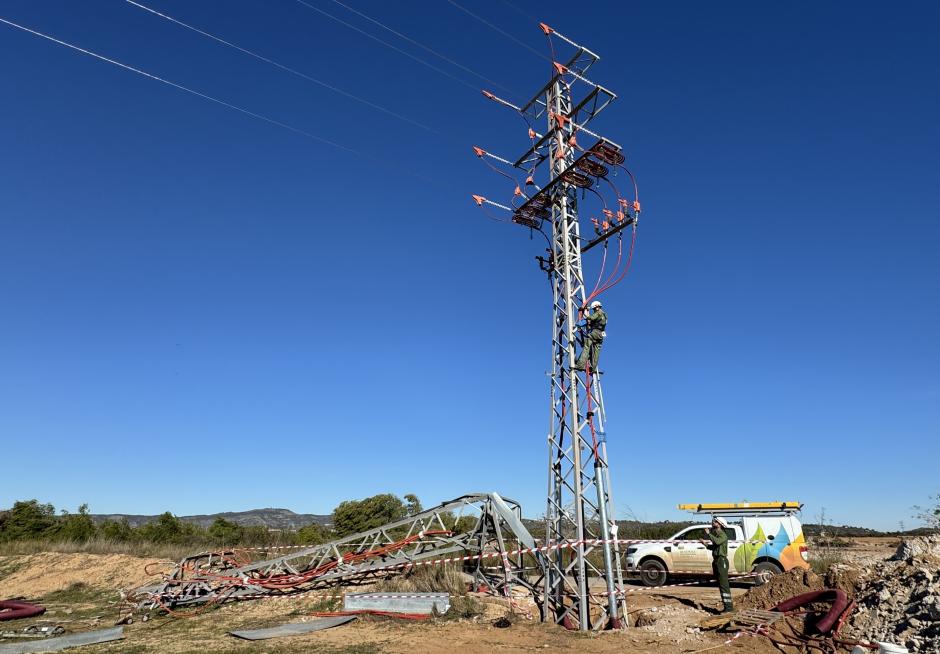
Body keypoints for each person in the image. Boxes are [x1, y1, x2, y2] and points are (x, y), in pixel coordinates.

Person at [706, 516, 734, 613]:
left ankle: (729, 608)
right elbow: (714, 546)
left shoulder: (722, 535)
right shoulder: (717, 535)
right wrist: (704, 544)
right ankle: (727, 607)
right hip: (717, 560)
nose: (713, 522)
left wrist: (709, 534)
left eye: (715, 521)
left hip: (721, 561)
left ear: (720, 524)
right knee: (721, 585)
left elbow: (717, 542)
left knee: (724, 585)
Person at [572, 300, 607, 372]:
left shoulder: (598, 313)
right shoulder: (604, 315)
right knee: (596, 351)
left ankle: (580, 365)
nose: (594, 310)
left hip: (595, 333)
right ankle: (593, 368)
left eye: (594, 309)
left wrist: (583, 312)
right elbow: (595, 322)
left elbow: (591, 318)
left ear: (597, 307)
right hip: (601, 335)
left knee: (587, 348)